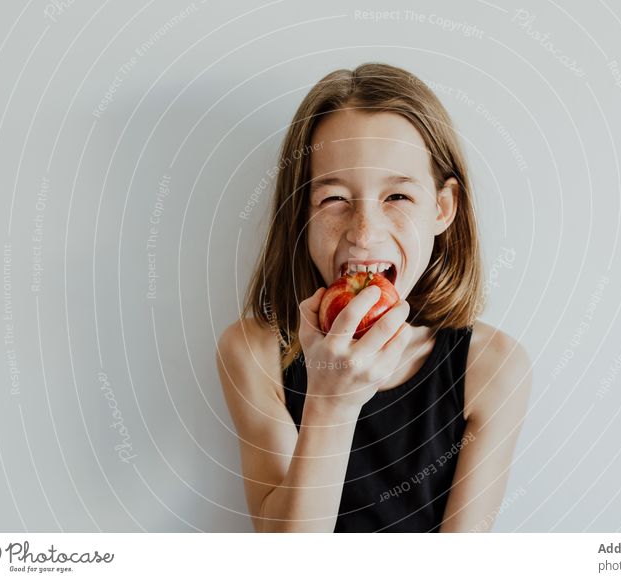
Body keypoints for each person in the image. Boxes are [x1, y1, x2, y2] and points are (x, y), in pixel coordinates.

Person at [216, 62, 532, 532]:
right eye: (334, 199)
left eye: (398, 197)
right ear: (301, 213)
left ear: (442, 208)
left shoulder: (492, 368)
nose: (364, 234)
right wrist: (331, 401)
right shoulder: (253, 351)